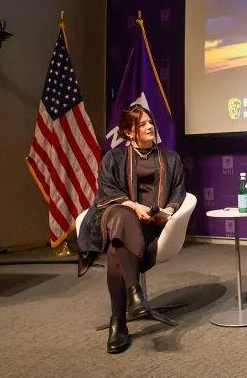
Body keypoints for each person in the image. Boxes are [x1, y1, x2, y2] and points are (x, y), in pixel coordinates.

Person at [77, 104, 186, 354]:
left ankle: (119, 322)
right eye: (142, 124)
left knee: (118, 248)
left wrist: (166, 212)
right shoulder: (113, 158)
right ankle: (134, 294)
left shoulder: (170, 158)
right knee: (122, 216)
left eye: (150, 122)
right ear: (128, 132)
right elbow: (107, 191)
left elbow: (178, 192)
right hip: (117, 215)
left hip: (151, 223)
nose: (150, 127)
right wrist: (134, 206)